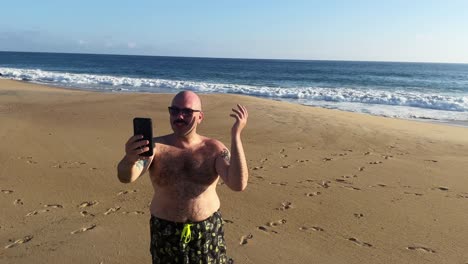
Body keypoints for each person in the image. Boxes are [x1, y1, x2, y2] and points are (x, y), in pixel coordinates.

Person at [117, 91, 249, 264]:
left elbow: (238, 184)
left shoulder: (214, 149)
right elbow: (127, 177)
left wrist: (235, 136)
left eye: (187, 112)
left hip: (207, 230)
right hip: (165, 231)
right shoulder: (155, 148)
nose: (179, 116)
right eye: (174, 110)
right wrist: (129, 158)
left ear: (200, 117)